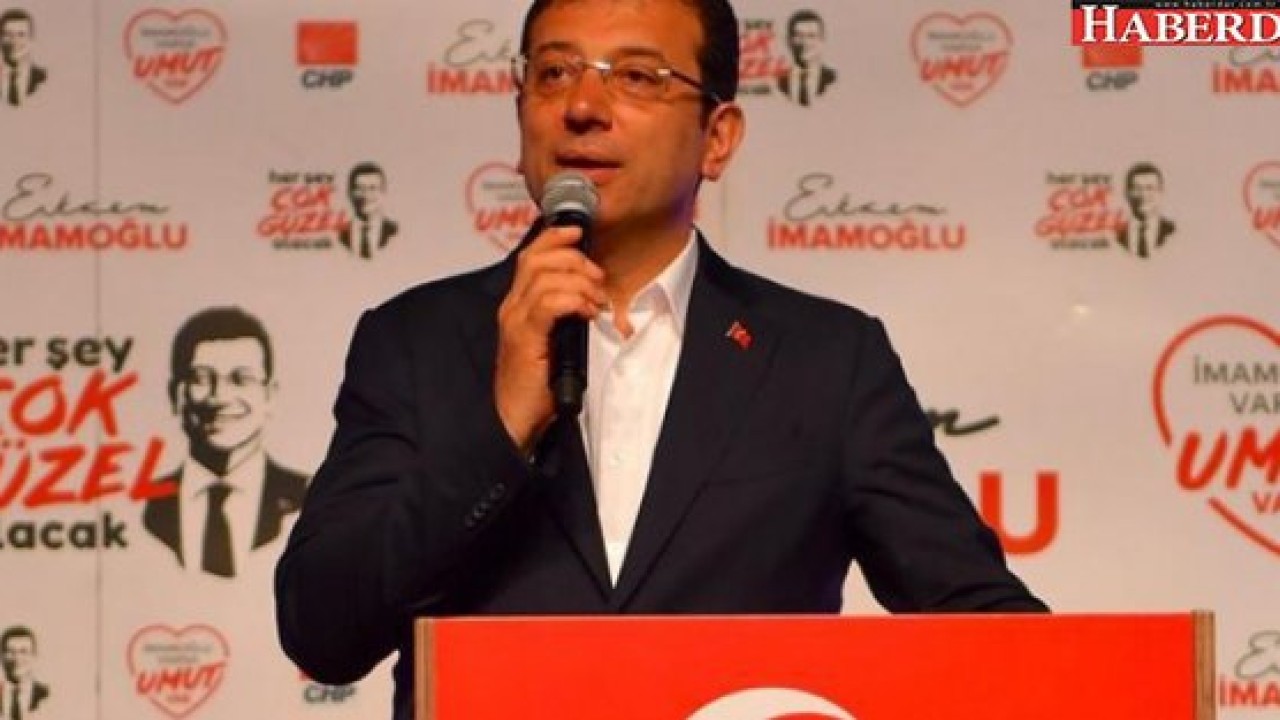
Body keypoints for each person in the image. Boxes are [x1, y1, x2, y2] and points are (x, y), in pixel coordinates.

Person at [275, 1, 1046, 717]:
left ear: (718, 138)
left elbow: (988, 629)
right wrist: (501, 426)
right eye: (554, 73)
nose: (582, 106)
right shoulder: (415, 340)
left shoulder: (827, 361)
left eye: (638, 77)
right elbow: (323, 631)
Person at [144, 307, 308, 579]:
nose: (219, 397)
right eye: (201, 379)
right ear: (176, 395)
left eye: (241, 379)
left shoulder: (310, 499)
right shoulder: (143, 506)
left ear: (269, 394)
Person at [337, 162, 399, 260]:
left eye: (372, 188)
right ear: (349, 193)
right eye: (360, 188)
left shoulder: (395, 232)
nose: (366, 195)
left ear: (383, 192)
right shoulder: (338, 234)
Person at [775, 9, 837, 107]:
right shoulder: (777, 81)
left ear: (822, 40)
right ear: (788, 41)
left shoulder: (834, 79)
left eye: (811, 36)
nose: (805, 43)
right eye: (799, 36)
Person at [1115, 162, 1175, 259]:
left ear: (1161, 192)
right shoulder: (1115, 234)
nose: (1143, 194)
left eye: (1149, 188)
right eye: (1137, 188)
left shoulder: (1173, 231)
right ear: (1127, 193)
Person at [0, 626, 49, 718]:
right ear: (2, 656)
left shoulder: (48, 696)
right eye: (10, 651)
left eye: (23, 651)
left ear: (34, 656)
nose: (17, 658)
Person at [0, 9, 45, 108]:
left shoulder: (43, 78)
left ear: (31, 39)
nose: (15, 41)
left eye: (21, 35)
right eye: (8, 35)